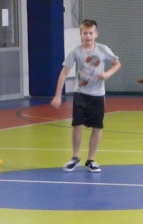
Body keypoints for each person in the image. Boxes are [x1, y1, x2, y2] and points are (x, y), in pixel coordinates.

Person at [51, 20, 121, 173]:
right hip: (80, 94)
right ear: (80, 35)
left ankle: (91, 160)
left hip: (97, 95)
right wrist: (57, 96)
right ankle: (75, 157)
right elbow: (63, 73)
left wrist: (107, 74)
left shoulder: (103, 50)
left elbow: (117, 63)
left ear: (96, 34)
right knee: (77, 125)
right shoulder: (76, 52)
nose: (88, 36)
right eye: (85, 33)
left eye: (91, 33)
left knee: (97, 127)